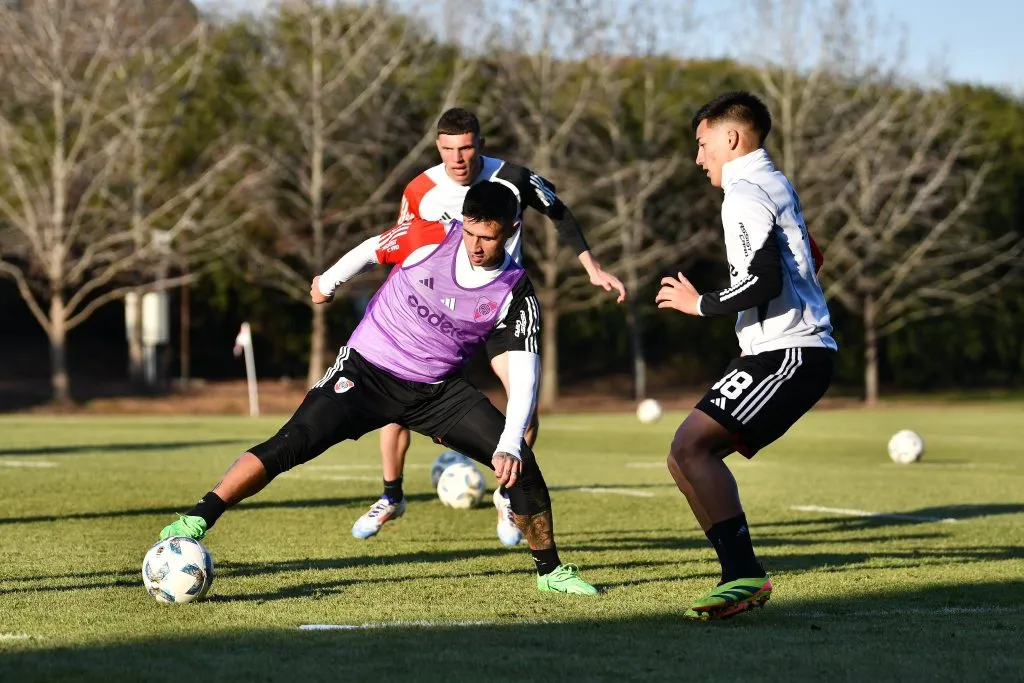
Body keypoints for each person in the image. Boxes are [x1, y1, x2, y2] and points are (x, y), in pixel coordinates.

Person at [158, 182, 599, 596]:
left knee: (522, 464)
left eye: (489, 236)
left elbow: (526, 374)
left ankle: (551, 572)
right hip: (367, 370)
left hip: (437, 391)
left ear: (512, 230)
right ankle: (199, 517)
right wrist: (328, 281)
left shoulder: (515, 292)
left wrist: (508, 444)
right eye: (470, 232)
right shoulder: (429, 235)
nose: (477, 246)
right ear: (462, 221)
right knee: (292, 443)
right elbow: (374, 248)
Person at [325, 107, 625, 545]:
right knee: (394, 397)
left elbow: (560, 213)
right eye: (448, 149)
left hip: (499, 306)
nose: (458, 158)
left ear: (480, 144)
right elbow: (403, 245)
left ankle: (506, 495)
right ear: (438, 148)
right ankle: (392, 495)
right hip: (436, 313)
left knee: (525, 402)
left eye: (466, 148)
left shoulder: (515, 179)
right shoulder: (420, 189)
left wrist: (592, 268)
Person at [655, 91, 837, 621]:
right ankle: (740, 575)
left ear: (730, 137)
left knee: (691, 448)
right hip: (782, 348)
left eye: (702, 143)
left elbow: (764, 279)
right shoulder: (772, 182)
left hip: (789, 353)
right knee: (682, 453)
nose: (698, 157)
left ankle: (743, 575)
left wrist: (700, 304)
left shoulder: (744, 191)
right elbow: (809, 257)